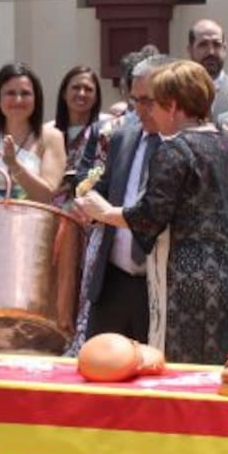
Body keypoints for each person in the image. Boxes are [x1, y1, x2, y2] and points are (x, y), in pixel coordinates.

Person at [76, 60, 228, 364]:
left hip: (184, 286)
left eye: (153, 103)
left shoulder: (174, 149)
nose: (148, 112)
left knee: (178, 382)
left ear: (172, 106)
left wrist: (103, 212)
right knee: (216, 374)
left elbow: (149, 217)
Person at [80, 55, 172, 344]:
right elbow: (106, 189)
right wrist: (89, 206)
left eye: (148, 101)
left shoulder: (184, 144)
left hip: (161, 289)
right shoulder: (123, 136)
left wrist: (107, 211)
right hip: (113, 285)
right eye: (135, 100)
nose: (139, 109)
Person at [0, 63, 66, 203]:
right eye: (10, 93)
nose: (18, 100)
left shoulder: (51, 137)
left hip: (34, 222)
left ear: (36, 99)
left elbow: (47, 195)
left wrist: (14, 165)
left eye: (25, 93)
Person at [50, 65, 107, 174]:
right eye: (76, 88)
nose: (82, 93)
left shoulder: (107, 129)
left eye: (88, 89)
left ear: (96, 97)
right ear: (64, 93)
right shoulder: (49, 131)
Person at [188, 19, 228, 117]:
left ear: (225, 48)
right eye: (203, 45)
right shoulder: (177, 91)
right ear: (190, 50)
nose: (211, 52)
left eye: (217, 44)